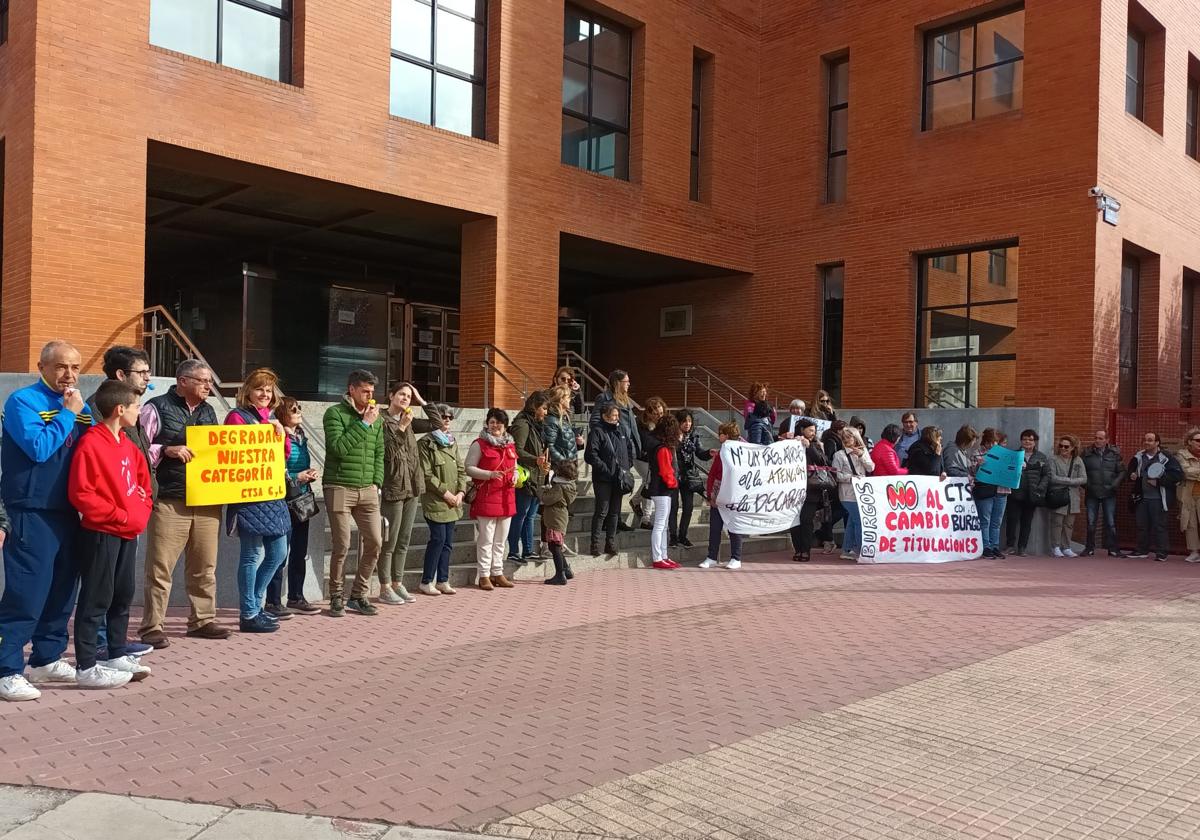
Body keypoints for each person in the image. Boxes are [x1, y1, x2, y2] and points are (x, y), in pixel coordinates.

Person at [0, 341, 93, 702]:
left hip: (69, 510)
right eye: (60, 367)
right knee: (27, 593)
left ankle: (47, 657)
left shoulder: (78, 407)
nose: (68, 375)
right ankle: (7, 668)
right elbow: (37, 448)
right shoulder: (23, 401)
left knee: (62, 590)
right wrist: (69, 413)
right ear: (41, 366)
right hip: (32, 510)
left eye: (74, 367)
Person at [68, 380, 153, 688]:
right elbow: (82, 493)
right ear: (120, 409)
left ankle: (116, 653)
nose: (139, 411)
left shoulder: (129, 445)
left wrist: (138, 514)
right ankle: (87, 667)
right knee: (96, 598)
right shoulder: (91, 443)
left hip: (127, 531)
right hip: (102, 532)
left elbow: (144, 486)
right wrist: (119, 515)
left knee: (123, 593)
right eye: (136, 407)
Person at [139, 359, 230, 648]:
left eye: (209, 382)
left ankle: (202, 620)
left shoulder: (209, 411)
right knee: (160, 568)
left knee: (205, 566)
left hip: (205, 501)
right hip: (169, 499)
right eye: (203, 381)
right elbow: (137, 448)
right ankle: (152, 627)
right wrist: (166, 450)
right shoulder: (155, 408)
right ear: (182, 381)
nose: (208, 386)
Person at [86, 346, 156, 659]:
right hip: (106, 519)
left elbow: (137, 462)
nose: (148, 378)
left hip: (130, 515)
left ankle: (116, 644)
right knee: (101, 588)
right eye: (141, 372)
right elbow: (94, 477)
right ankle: (97, 647)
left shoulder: (132, 410)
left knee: (121, 587)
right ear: (120, 375)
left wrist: (142, 503)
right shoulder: (95, 413)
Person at [225, 369, 293, 631]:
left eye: (268, 390)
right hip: (249, 495)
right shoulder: (237, 417)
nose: (265, 394)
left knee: (278, 553)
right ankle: (250, 612)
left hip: (272, 494)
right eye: (259, 389)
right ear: (247, 392)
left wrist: (280, 434)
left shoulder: (271, 418)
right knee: (252, 554)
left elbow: (282, 456)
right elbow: (233, 453)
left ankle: (254, 603)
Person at [322, 369, 385, 617]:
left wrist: (376, 483)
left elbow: (380, 453)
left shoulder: (377, 419)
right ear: (352, 390)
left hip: (367, 489)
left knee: (375, 542)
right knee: (342, 544)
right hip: (339, 486)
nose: (370, 396)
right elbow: (338, 449)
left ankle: (358, 594)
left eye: (372, 391)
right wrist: (364, 424)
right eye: (365, 391)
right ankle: (336, 595)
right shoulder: (334, 414)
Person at [378, 381, 436, 604]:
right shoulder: (381, 421)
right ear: (391, 395)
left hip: (412, 485)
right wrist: (401, 427)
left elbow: (436, 423)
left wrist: (423, 401)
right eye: (401, 394)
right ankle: (384, 586)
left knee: (404, 539)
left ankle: (397, 583)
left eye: (409, 396)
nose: (405, 399)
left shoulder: (410, 419)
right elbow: (389, 453)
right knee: (389, 541)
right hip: (393, 486)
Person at [265, 396, 321, 615]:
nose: (299, 412)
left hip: (302, 498)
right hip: (283, 498)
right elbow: (276, 466)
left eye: (300, 408)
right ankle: (273, 600)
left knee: (300, 550)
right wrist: (298, 476)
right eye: (293, 409)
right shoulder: (277, 436)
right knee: (280, 552)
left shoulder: (301, 435)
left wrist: (309, 473)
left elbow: (300, 463)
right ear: (281, 414)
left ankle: (296, 596)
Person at [418, 403, 468, 594]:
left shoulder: (451, 441)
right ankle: (426, 580)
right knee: (437, 539)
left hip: (454, 500)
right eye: (443, 416)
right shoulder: (425, 443)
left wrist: (461, 493)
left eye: (449, 417)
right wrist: (446, 494)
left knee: (447, 542)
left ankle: (443, 580)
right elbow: (427, 474)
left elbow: (461, 470)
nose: (446, 420)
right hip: (436, 499)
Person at [466, 408, 517, 590]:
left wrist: (516, 476)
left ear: (505, 426)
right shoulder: (479, 444)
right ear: (487, 424)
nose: (495, 425)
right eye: (492, 422)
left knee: (501, 540)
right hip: (487, 496)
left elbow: (515, 467)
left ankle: (498, 572)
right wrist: (489, 474)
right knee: (486, 539)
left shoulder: (510, 445)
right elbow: (469, 467)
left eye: (499, 423)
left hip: (506, 498)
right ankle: (484, 574)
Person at [589, 369, 639, 530]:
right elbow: (595, 421)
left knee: (620, 485)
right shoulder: (604, 398)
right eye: (626, 381)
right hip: (611, 448)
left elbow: (631, 425)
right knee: (611, 488)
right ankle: (609, 523)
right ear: (618, 383)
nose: (629, 384)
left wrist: (636, 447)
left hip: (624, 448)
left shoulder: (625, 400)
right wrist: (608, 436)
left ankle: (615, 521)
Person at [585, 403, 634, 557]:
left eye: (617, 415)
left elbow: (629, 450)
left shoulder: (621, 430)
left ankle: (610, 543)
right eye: (613, 415)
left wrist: (627, 466)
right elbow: (591, 455)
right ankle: (595, 544)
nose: (616, 418)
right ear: (604, 416)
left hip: (619, 478)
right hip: (603, 478)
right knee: (602, 511)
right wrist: (606, 470)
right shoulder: (597, 432)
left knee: (615, 512)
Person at [509, 391, 551, 563]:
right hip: (526, 476)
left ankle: (527, 550)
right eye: (544, 408)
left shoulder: (536, 425)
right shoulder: (523, 424)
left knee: (531, 515)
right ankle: (513, 551)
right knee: (521, 514)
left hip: (537, 475)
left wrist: (543, 461)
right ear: (535, 407)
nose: (546, 412)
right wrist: (535, 459)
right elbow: (516, 449)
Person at [1127, 432, 1183, 561]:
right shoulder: (1138, 457)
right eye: (1145, 440)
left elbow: (1177, 477)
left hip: (1159, 499)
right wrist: (1132, 475)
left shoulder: (1167, 458)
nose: (1147, 442)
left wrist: (1159, 482)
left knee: (1159, 526)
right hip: (1141, 498)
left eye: (1150, 440)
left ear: (1157, 443)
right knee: (1141, 525)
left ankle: (1161, 553)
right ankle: (1142, 551)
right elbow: (1130, 471)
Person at [700, 421, 745, 570]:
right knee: (715, 526)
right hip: (719, 492)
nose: (719, 436)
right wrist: (710, 494)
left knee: (734, 527)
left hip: (735, 493)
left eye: (721, 433)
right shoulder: (720, 453)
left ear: (726, 436)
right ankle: (711, 557)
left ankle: (736, 557)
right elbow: (712, 473)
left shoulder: (742, 452)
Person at [790, 418, 832, 563]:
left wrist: (809, 447)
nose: (813, 433)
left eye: (814, 431)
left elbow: (823, 461)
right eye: (810, 430)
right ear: (802, 430)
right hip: (792, 491)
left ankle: (806, 551)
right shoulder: (791, 443)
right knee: (794, 522)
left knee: (806, 520)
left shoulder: (816, 444)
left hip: (811, 490)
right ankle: (798, 550)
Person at [670, 410, 712, 548]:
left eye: (689, 421)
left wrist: (709, 453)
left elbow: (700, 453)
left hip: (688, 477)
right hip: (674, 476)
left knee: (688, 507)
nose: (687, 424)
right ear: (678, 423)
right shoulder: (672, 436)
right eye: (684, 421)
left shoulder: (693, 436)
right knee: (674, 507)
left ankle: (683, 536)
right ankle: (673, 537)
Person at [1081, 430, 1126, 557]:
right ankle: (1089, 548)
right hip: (1092, 492)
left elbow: (1122, 471)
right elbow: (1080, 471)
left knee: (1110, 522)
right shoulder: (1086, 453)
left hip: (1109, 492)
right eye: (1096, 438)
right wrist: (1087, 485)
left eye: (1100, 438)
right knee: (1090, 521)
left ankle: (1113, 549)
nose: (1097, 441)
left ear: (1107, 440)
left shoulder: (1115, 454)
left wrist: (1114, 485)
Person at [833, 427, 874, 561]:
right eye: (844, 438)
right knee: (859, 521)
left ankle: (847, 549)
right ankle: (861, 549)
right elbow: (836, 474)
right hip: (847, 492)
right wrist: (851, 477)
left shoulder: (863, 451)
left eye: (849, 437)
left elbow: (871, 467)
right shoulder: (839, 455)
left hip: (861, 492)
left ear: (856, 438)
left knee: (852, 521)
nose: (846, 441)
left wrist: (861, 456)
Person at [1006, 429, 1049, 556]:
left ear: (1035, 442)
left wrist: (1040, 488)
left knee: (1027, 522)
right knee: (1012, 520)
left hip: (1032, 494)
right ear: (1021, 441)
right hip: (1015, 492)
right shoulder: (1014, 454)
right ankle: (1010, 546)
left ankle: (1022, 547)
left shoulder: (1041, 457)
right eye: (1025, 439)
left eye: (1030, 439)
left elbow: (1046, 475)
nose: (1027, 442)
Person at [647, 413, 681, 570]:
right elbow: (666, 471)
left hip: (660, 488)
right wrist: (673, 483)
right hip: (662, 488)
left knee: (663, 524)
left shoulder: (658, 446)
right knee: (661, 524)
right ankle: (658, 557)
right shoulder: (663, 449)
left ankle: (663, 556)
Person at [537, 460, 579, 585]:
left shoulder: (559, 487)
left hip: (555, 518)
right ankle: (566, 570)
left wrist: (541, 490)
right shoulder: (568, 485)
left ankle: (560, 574)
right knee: (556, 545)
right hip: (559, 517)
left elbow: (547, 499)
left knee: (554, 546)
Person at [631, 398, 668, 529]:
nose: (659, 416)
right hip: (642, 458)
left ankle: (635, 501)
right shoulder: (641, 423)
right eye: (656, 414)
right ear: (649, 413)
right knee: (650, 481)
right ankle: (646, 518)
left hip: (655, 458)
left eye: (661, 413)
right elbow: (645, 443)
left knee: (649, 481)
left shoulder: (663, 422)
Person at [1047, 435, 1086, 557]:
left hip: (1073, 496)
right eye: (1061, 446)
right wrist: (1070, 481)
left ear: (1073, 448)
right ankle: (1056, 546)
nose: (1063, 448)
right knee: (1057, 522)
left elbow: (1083, 478)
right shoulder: (1053, 459)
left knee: (1069, 523)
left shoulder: (1078, 460)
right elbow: (1052, 477)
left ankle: (1067, 547)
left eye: (1066, 446)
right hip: (1059, 495)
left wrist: (1068, 481)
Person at [973, 428, 1007, 559]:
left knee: (996, 521)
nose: (992, 445)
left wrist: (1019, 466)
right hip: (986, 490)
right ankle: (985, 546)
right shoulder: (978, 453)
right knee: (985, 520)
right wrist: (978, 465)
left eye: (995, 442)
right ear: (984, 442)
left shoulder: (1004, 454)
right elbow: (972, 472)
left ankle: (995, 546)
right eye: (989, 442)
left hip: (1001, 490)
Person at [1177, 428, 1200, 563]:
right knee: (1190, 523)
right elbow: (1186, 471)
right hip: (1188, 495)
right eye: (1197, 440)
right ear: (1189, 442)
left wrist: (1195, 473)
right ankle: (1194, 552)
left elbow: (1192, 472)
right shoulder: (1181, 454)